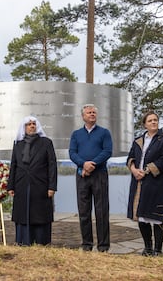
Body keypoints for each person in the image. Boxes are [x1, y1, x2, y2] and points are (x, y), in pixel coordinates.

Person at [126, 111, 163, 256]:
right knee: (141, 215)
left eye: (155, 120)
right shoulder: (138, 140)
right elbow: (130, 158)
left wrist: (147, 170)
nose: (154, 122)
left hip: (156, 182)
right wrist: (134, 170)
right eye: (150, 120)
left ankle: (158, 250)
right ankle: (147, 248)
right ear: (145, 124)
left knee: (157, 216)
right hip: (139, 182)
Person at [8, 116, 57, 246]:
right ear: (24, 128)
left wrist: (52, 186)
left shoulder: (46, 142)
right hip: (21, 184)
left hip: (41, 184)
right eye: (28, 124)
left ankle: (41, 241)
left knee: (40, 213)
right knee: (22, 213)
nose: (32, 126)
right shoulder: (18, 144)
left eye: (34, 124)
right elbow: (14, 164)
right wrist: (10, 186)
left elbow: (52, 165)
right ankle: (24, 241)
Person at [69, 104, 112, 252]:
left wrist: (92, 164)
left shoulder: (104, 133)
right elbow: (72, 153)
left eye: (94, 112)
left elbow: (107, 151)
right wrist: (83, 165)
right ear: (83, 116)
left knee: (101, 211)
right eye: (89, 112)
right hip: (82, 175)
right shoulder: (76, 134)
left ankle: (103, 246)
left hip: (99, 175)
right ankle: (87, 244)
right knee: (84, 211)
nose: (92, 114)